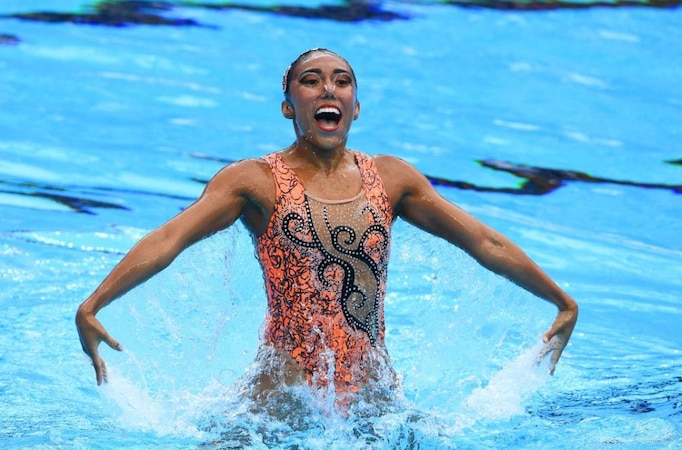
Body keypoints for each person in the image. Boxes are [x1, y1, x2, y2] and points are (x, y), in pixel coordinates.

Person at [76, 48, 578, 413]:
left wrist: (562, 301)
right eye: (311, 81)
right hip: (281, 398)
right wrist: (93, 305)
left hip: (373, 394)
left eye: (341, 81)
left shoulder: (392, 178)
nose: (328, 89)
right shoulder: (254, 181)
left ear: (355, 106)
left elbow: (484, 242)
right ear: (289, 106)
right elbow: (170, 239)